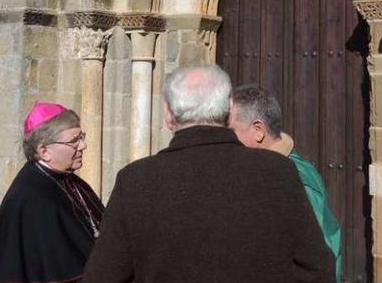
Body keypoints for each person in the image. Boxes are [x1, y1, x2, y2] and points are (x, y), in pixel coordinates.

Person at [82, 65, 333, 283]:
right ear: (229, 108)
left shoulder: (135, 180)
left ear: (169, 115)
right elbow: (317, 269)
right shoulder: (277, 170)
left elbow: (104, 275)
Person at [0, 102, 103, 283]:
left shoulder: (71, 181)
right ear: (44, 151)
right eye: (74, 141)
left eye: (81, 137)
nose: (83, 146)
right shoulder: (32, 198)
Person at [229, 85, 344, 282]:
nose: (226, 139)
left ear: (258, 130)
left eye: (231, 131)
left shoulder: (296, 178)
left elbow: (320, 258)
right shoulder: (261, 172)